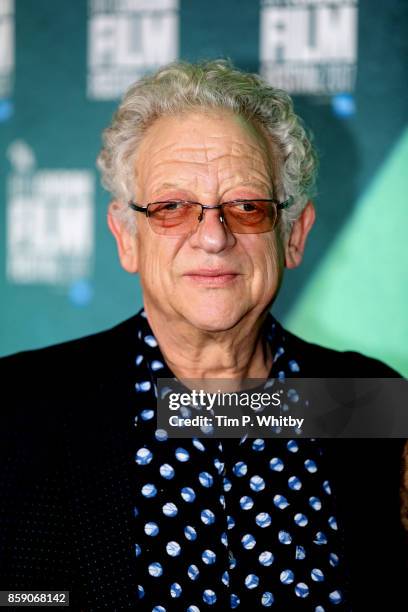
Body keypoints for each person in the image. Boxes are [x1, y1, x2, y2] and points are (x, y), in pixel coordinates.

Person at [0, 59, 405, 611]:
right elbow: (21, 597)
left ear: (293, 234)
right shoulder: (22, 405)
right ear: (126, 237)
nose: (213, 237)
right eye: (171, 207)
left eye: (246, 205)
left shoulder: (368, 402)